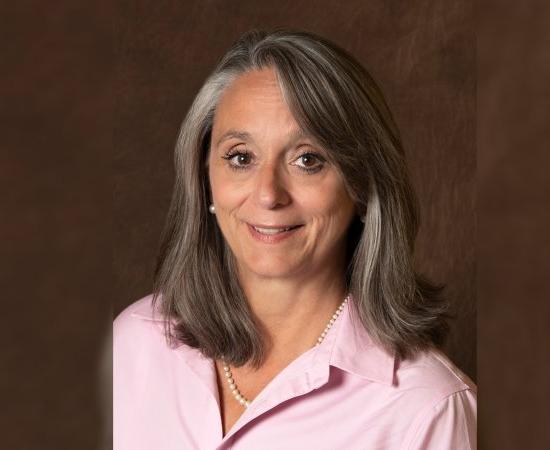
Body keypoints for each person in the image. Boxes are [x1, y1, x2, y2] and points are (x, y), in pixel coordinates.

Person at [113, 29, 476, 449]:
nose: (269, 194)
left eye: (308, 160)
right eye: (240, 157)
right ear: (205, 179)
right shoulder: (131, 346)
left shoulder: (427, 409)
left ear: (361, 188)